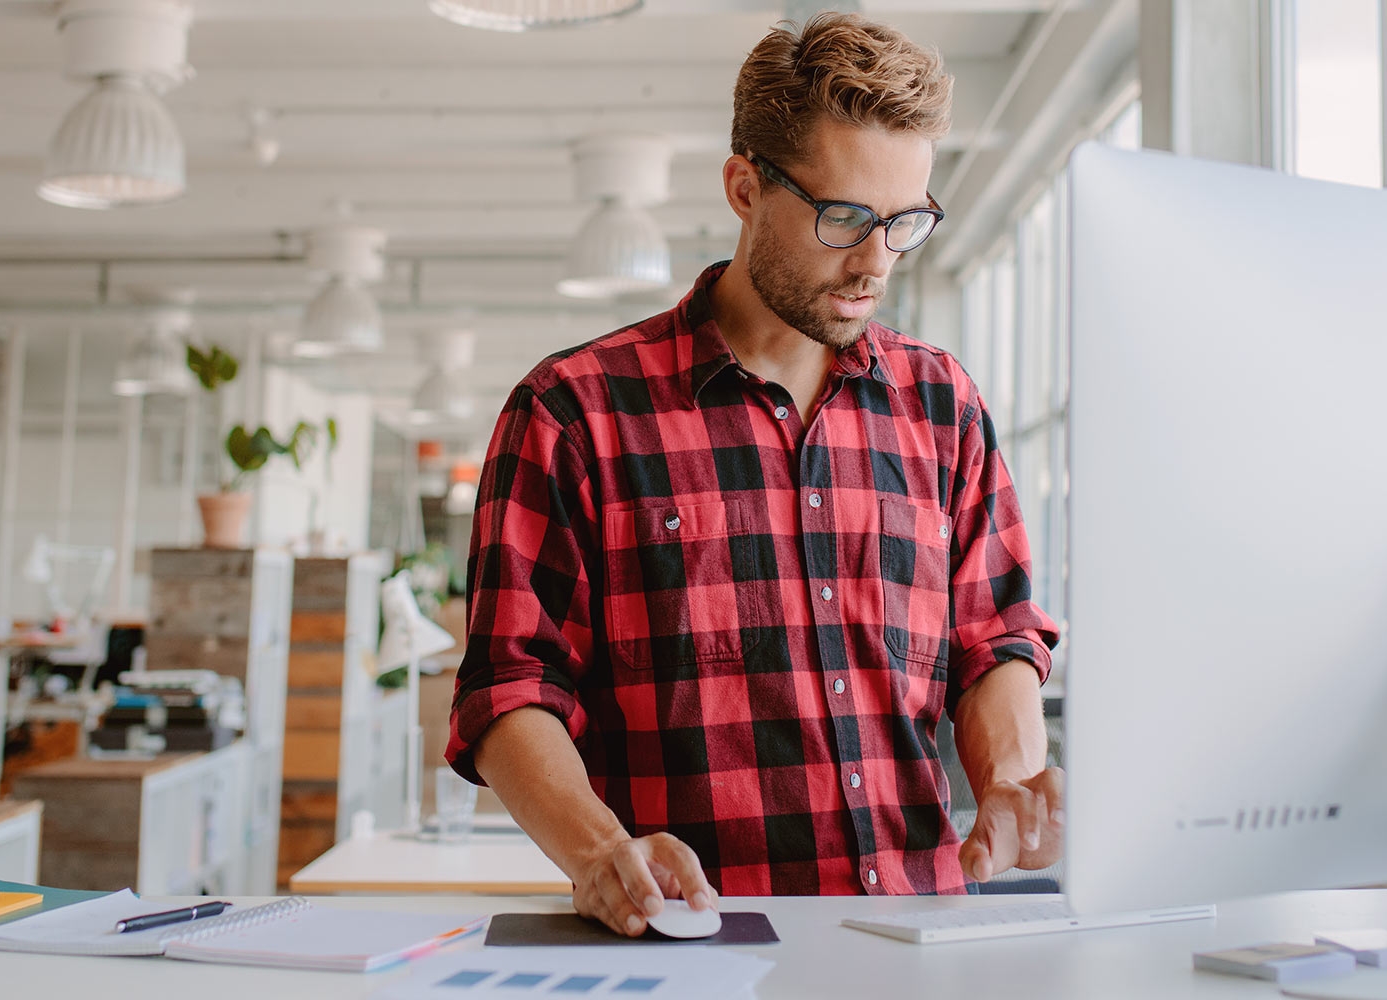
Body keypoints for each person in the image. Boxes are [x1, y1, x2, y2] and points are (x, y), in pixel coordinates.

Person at [445, 12, 1062, 937]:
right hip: (690, 942)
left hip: (918, 939)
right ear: (745, 187)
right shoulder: (573, 413)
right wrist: (597, 850)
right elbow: (511, 686)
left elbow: (995, 637)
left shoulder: (943, 406)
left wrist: (1010, 782)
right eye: (844, 218)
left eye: (906, 222)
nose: (876, 261)